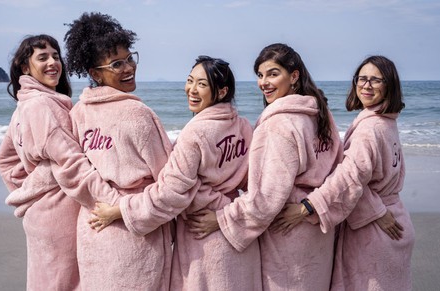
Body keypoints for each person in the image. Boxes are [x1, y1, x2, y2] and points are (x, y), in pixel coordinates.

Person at [90, 55, 261, 290]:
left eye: (202, 84)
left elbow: (171, 193)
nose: (191, 89)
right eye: (190, 81)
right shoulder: (243, 126)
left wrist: (121, 210)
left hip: (203, 241)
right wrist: (227, 211)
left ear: (221, 92)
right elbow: (254, 184)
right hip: (240, 242)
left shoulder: (195, 133)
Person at [187, 43, 344, 290]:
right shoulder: (319, 112)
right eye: (260, 75)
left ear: (294, 76)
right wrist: (311, 206)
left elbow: (266, 198)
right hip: (317, 233)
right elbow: (339, 172)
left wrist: (221, 219)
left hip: (286, 234)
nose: (264, 83)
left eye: (273, 74)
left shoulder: (279, 125)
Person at [272, 55, 415, 290]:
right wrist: (379, 209)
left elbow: (349, 178)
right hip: (394, 221)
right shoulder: (387, 122)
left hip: (374, 233)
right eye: (362, 78)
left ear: (389, 86)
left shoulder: (370, 129)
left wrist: (307, 207)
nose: (366, 85)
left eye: (376, 80)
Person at [0, 34, 121, 290]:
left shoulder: (25, 105)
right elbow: (73, 165)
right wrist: (116, 205)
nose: (53, 62)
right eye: (42, 57)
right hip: (60, 214)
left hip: (41, 214)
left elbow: (5, 160)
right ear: (25, 66)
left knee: (47, 280)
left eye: (55, 56)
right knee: (66, 283)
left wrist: (30, 194)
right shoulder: (43, 106)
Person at [62, 12, 174, 290]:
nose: (128, 68)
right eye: (116, 64)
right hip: (135, 235)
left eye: (130, 58)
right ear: (95, 73)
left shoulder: (77, 113)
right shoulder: (136, 114)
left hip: (93, 227)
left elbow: (70, 172)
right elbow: (170, 181)